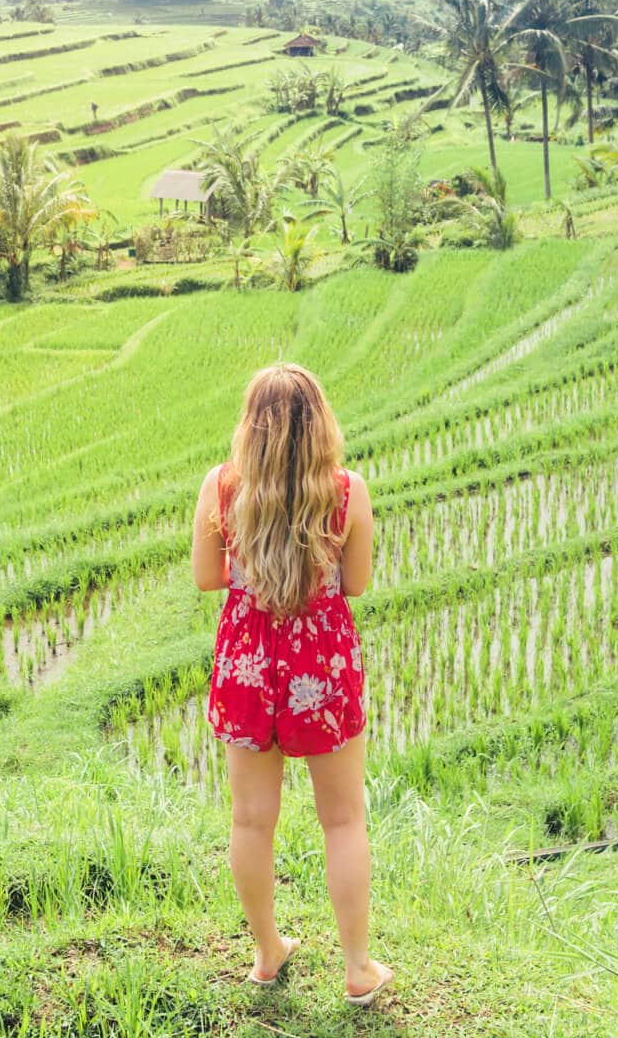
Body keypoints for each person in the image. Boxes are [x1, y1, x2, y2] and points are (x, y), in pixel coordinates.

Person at [191, 363, 393, 1008]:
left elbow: (206, 577)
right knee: (342, 818)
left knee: (251, 820)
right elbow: (354, 585)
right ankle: (358, 968)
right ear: (319, 422)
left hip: (248, 662)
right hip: (321, 667)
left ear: (252, 427)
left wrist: (253, 561)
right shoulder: (346, 490)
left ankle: (266, 953)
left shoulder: (221, 488)